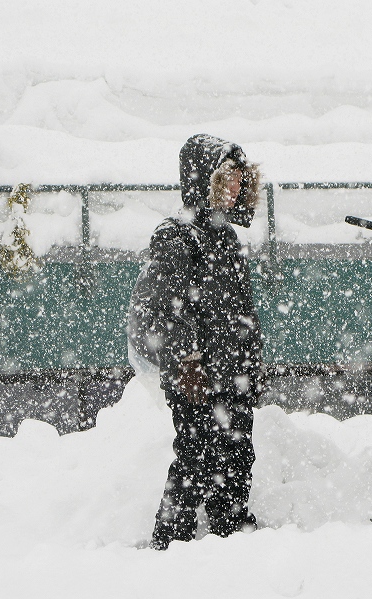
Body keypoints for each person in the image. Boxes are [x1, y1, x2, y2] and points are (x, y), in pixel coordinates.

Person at [127, 134, 263, 550]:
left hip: (231, 377)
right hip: (198, 379)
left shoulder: (224, 238)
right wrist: (188, 362)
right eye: (228, 178)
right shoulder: (178, 237)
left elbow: (238, 313)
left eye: (241, 178)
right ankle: (169, 542)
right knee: (195, 461)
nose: (236, 187)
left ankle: (231, 532)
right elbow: (161, 312)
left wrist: (249, 363)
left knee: (237, 456)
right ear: (203, 181)